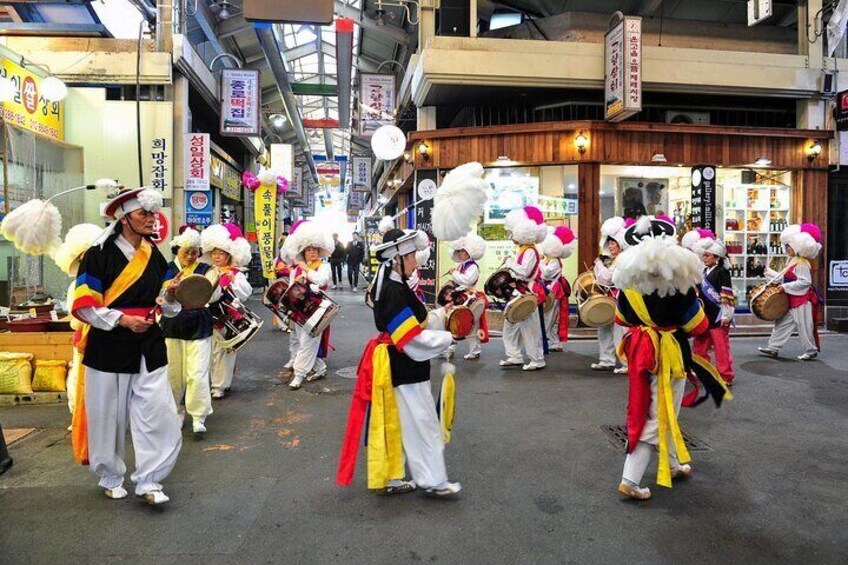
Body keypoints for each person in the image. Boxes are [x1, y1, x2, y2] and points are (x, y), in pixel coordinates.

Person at [71, 186, 183, 505]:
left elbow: (166, 302)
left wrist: (171, 295)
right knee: (108, 414)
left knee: (157, 411)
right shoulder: (98, 254)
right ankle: (109, 474)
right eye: (144, 214)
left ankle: (149, 480)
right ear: (124, 218)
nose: (152, 219)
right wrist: (122, 320)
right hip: (109, 342)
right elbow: (85, 304)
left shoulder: (154, 254)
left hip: (148, 341)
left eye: (152, 213)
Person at [612, 215, 731, 501]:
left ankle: (675, 464)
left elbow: (621, 318)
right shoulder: (681, 287)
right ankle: (630, 478)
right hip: (670, 354)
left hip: (640, 352)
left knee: (660, 407)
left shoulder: (628, 285)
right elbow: (698, 326)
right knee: (657, 413)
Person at [337, 227, 461, 497]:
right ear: (397, 259)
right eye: (412, 255)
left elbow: (414, 323)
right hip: (404, 363)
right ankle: (434, 480)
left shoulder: (392, 283)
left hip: (398, 363)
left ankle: (413, 478)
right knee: (423, 422)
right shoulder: (394, 289)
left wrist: (441, 315)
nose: (417, 261)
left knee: (406, 422)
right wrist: (447, 338)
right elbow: (410, 339)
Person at [50, 223, 103, 435]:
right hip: (86, 337)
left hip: (100, 337)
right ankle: (79, 417)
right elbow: (76, 317)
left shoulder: (101, 281)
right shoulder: (77, 286)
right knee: (78, 379)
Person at [161, 226, 215, 434]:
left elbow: (213, 294)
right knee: (173, 373)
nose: (190, 257)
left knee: (197, 372)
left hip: (199, 324)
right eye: (186, 252)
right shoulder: (166, 270)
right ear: (176, 250)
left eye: (194, 252)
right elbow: (159, 299)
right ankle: (175, 411)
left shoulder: (206, 270)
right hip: (172, 325)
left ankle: (198, 416)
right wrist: (167, 294)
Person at [201, 223, 253, 399]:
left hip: (226, 317)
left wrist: (232, 281)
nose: (216, 256)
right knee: (208, 351)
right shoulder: (207, 271)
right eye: (214, 252)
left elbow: (246, 292)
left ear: (229, 254)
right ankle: (211, 382)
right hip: (208, 316)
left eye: (220, 253)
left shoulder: (235, 273)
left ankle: (220, 385)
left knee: (224, 351)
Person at [281, 219, 334, 390]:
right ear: (303, 251)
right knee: (300, 340)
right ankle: (320, 368)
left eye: (314, 249)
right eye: (308, 249)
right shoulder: (295, 269)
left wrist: (306, 269)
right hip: (298, 311)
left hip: (317, 310)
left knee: (307, 342)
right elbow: (290, 289)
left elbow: (322, 280)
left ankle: (299, 375)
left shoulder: (323, 266)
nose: (312, 252)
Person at [758, 223, 823, 361]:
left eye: (789, 246)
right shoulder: (794, 261)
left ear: (798, 246)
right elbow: (786, 278)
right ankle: (773, 348)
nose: (786, 248)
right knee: (781, 324)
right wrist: (770, 273)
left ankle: (811, 350)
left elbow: (805, 282)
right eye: (786, 245)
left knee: (804, 327)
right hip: (793, 300)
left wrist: (785, 287)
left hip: (802, 301)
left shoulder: (801, 263)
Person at [682, 231, 735, 386]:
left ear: (717, 257)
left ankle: (726, 375)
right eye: (703, 256)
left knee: (721, 348)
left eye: (707, 256)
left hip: (718, 315)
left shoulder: (722, 272)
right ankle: (703, 370)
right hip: (705, 315)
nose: (704, 258)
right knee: (700, 345)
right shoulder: (704, 272)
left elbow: (727, 294)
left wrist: (727, 315)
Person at [500, 206, 548, 372]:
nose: (511, 235)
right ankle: (514, 355)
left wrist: (510, 264)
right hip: (519, 292)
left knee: (530, 328)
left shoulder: (530, 251)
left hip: (527, 292)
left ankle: (537, 359)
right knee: (510, 324)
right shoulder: (523, 250)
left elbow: (524, 272)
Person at [592, 216, 629, 373]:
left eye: (613, 242)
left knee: (619, 331)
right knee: (604, 328)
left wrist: (598, 264)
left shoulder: (622, 259)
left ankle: (626, 363)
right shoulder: (615, 259)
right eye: (610, 243)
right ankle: (606, 359)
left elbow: (607, 279)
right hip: (611, 298)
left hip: (621, 298)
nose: (611, 245)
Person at [447, 233, 489, 360]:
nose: (460, 253)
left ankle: (471, 349)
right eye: (460, 251)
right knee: (457, 322)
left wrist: (454, 273)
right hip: (462, 297)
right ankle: (453, 348)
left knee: (467, 324)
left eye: (462, 251)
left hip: (469, 298)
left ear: (468, 252)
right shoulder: (463, 265)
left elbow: (466, 280)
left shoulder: (473, 267)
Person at [539, 226, 577, 353]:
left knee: (548, 318)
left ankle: (544, 341)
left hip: (552, 291)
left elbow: (546, 274)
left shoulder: (554, 261)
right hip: (551, 290)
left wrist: (539, 263)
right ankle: (554, 342)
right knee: (550, 318)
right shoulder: (551, 259)